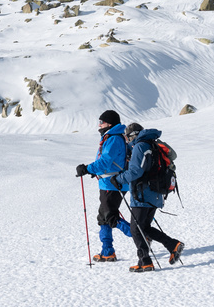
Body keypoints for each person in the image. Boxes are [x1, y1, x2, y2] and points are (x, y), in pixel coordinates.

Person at [109, 124, 184, 272]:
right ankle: (172, 245)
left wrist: (118, 179)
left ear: (133, 135)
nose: (127, 140)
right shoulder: (153, 144)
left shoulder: (140, 146)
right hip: (155, 193)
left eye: (127, 136)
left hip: (143, 194)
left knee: (136, 229)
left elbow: (135, 171)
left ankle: (145, 262)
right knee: (144, 227)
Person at [75, 110, 130, 262]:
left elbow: (105, 161)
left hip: (112, 185)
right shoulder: (112, 137)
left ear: (110, 123)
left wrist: (87, 169)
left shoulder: (113, 139)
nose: (99, 125)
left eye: (101, 122)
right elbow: (108, 162)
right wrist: (95, 171)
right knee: (103, 218)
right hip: (108, 183)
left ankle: (142, 234)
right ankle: (107, 251)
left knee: (111, 218)